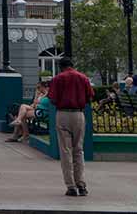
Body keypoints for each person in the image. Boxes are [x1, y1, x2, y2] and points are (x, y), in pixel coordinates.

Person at [48, 57, 94, 197]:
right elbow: (90, 96)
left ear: (60, 66)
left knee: (65, 151)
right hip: (78, 114)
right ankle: (81, 184)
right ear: (72, 65)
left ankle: (71, 186)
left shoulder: (58, 78)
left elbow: (52, 98)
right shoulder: (83, 77)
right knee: (78, 150)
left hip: (62, 114)